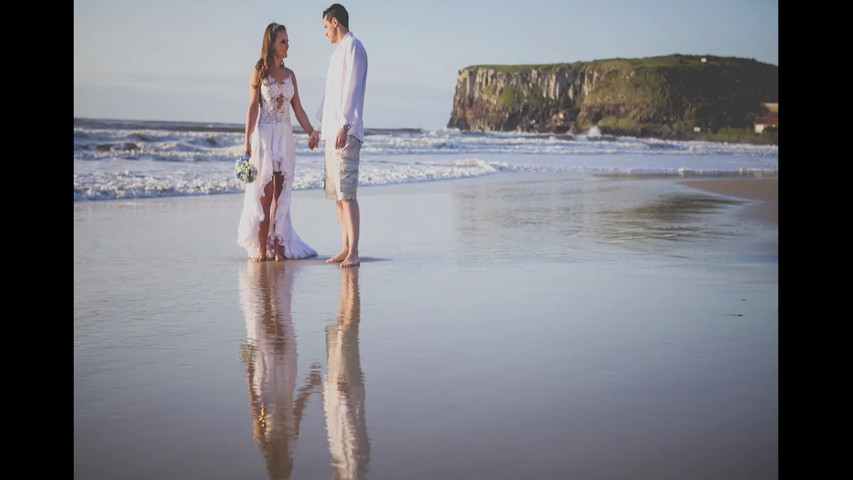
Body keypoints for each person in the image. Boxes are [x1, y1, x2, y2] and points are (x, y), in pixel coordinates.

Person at [237, 22, 320, 262]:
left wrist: (311, 132)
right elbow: (253, 108)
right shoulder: (260, 71)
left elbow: (299, 110)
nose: (287, 46)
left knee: (282, 194)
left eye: (287, 41)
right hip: (264, 136)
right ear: (271, 43)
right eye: (283, 41)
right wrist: (247, 143)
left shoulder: (291, 75)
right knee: (265, 192)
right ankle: (263, 248)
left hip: (285, 137)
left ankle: (280, 247)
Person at [312, 4, 368, 268]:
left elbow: (353, 87)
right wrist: (317, 127)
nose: (325, 32)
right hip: (331, 133)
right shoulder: (336, 55)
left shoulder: (353, 47)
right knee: (337, 195)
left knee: (348, 193)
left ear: (335, 22)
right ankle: (344, 247)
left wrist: (345, 125)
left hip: (346, 132)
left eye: (325, 27)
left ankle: (354, 251)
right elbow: (330, 93)